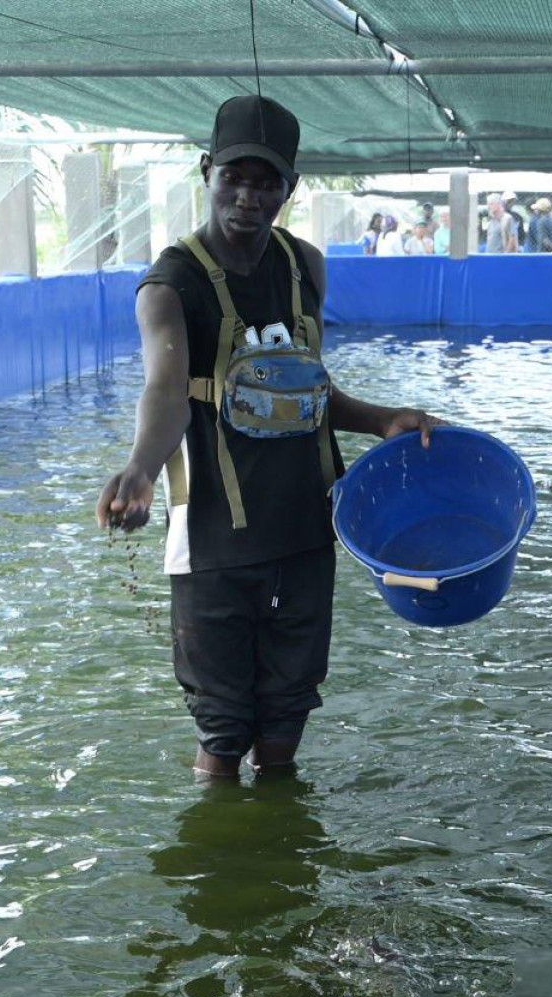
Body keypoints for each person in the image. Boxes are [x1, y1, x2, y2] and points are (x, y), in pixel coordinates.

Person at [96, 95, 442, 781]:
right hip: (216, 537)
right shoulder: (170, 284)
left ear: (291, 187)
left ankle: (282, 842)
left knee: (288, 709)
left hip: (308, 523)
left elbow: (303, 387)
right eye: (234, 178)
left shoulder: (303, 266)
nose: (248, 197)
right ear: (206, 172)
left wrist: (380, 419)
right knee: (223, 723)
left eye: (266, 182)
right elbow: (166, 393)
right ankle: (223, 856)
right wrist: (139, 467)